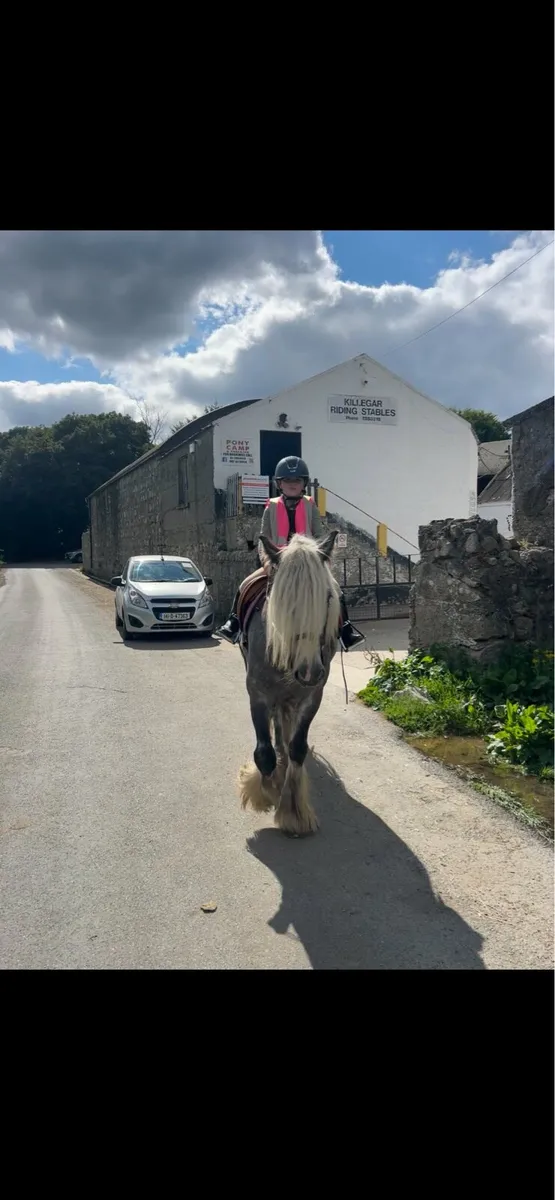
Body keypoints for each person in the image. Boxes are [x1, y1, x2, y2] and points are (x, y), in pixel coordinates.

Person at [217, 455, 365, 650]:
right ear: (280, 484)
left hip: (307, 561)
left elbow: (319, 535)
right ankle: (233, 623)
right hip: (279, 561)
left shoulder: (310, 504)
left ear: (303, 483)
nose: (292, 484)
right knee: (246, 585)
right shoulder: (271, 506)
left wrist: (323, 559)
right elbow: (264, 538)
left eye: (297, 480)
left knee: (335, 589)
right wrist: (266, 560)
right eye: (288, 480)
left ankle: (346, 629)